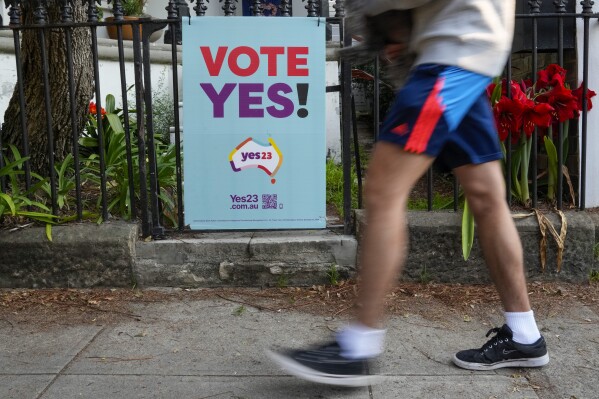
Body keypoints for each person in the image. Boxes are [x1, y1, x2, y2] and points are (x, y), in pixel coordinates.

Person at [267, 0, 549, 386]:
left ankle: (357, 347)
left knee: (384, 192)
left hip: (452, 57)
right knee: (486, 198)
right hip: (471, 55)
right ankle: (524, 334)